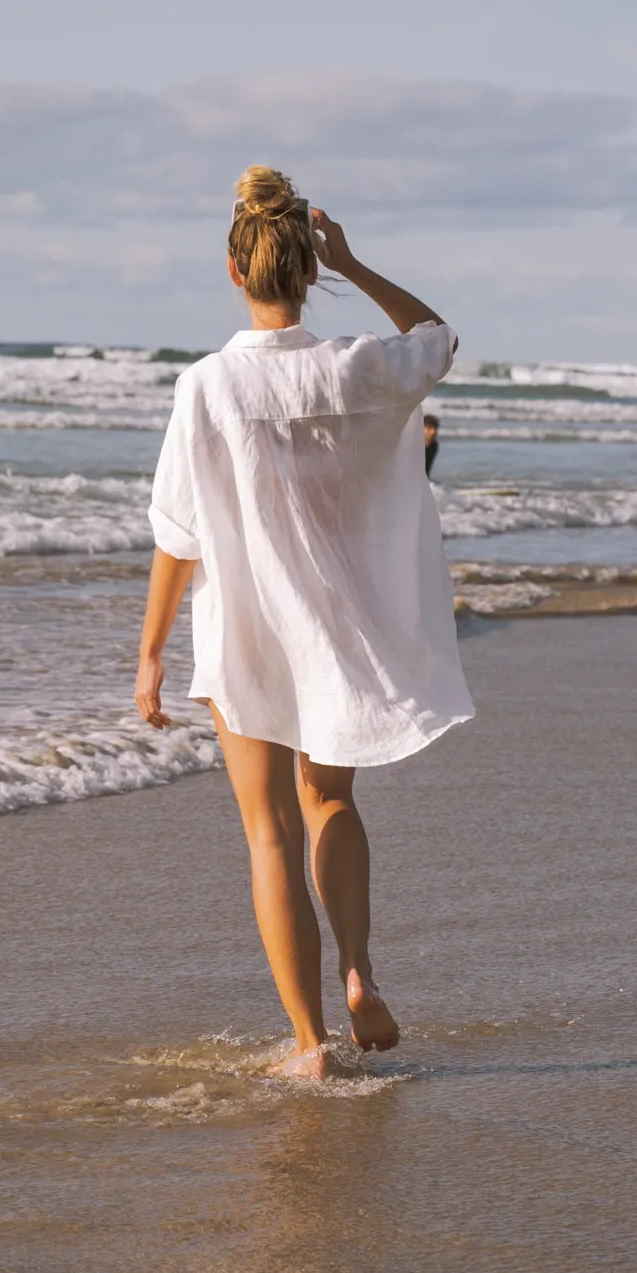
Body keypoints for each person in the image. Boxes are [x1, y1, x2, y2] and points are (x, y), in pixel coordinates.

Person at [136, 165, 473, 1079]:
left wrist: (152, 653)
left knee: (268, 830)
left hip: (245, 632)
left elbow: (179, 531)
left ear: (235, 271)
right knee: (333, 803)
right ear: (303, 268)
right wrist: (356, 263)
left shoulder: (206, 385)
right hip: (337, 627)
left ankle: (309, 1044)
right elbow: (438, 339)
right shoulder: (358, 365)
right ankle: (361, 973)